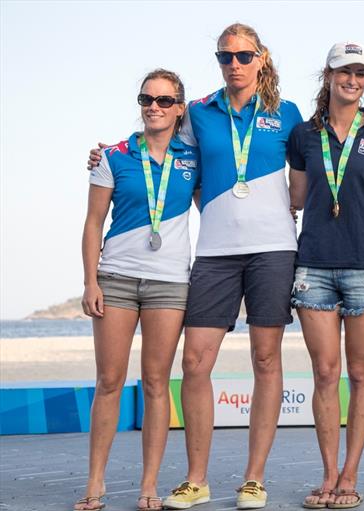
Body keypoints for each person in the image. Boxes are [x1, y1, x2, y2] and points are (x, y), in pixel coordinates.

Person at [161, 23, 302, 510]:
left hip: (274, 250)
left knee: (266, 360)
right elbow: (162, 148)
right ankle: (196, 479)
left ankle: (254, 479)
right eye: (226, 57)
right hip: (216, 252)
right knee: (195, 362)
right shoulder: (198, 111)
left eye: (243, 56)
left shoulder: (287, 114)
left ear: (261, 58)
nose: (235, 65)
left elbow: (303, 183)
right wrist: (106, 153)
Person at [78, 69, 199, 511]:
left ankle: (149, 485)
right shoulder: (114, 155)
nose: (154, 106)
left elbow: (217, 206)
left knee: (155, 383)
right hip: (116, 279)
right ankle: (96, 483)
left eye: (165, 101)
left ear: (179, 108)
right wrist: (91, 280)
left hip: (169, 282)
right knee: (108, 381)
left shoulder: (193, 156)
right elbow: (93, 224)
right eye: (147, 98)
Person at [287, 42, 364, 510]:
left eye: (361, 73)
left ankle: (351, 473)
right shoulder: (302, 135)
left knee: (360, 372)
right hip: (313, 264)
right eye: (344, 72)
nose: (352, 80)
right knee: (326, 372)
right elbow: (295, 196)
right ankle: (328, 474)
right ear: (327, 76)